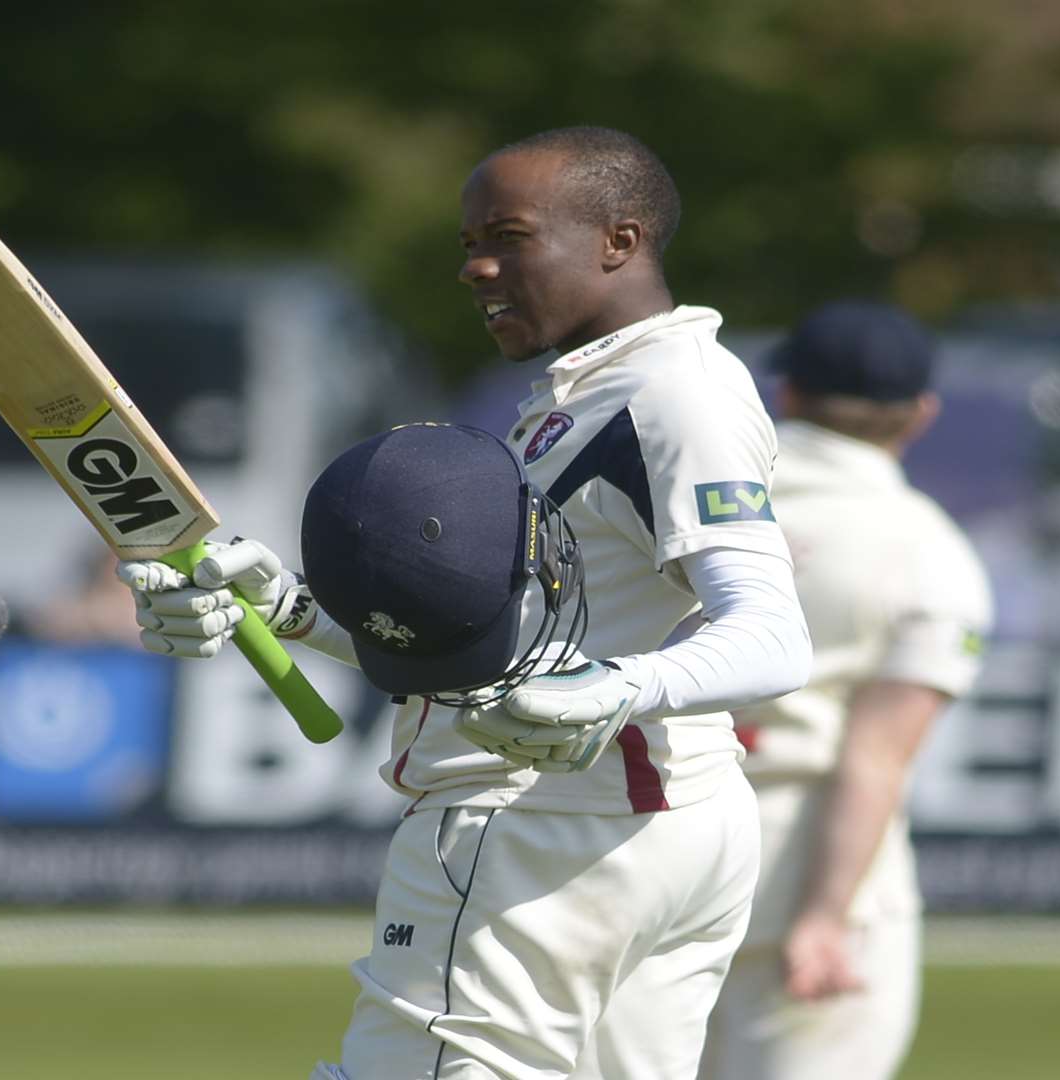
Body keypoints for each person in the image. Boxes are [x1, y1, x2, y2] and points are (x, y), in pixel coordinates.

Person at [118, 126, 812, 1079]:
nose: (477, 267)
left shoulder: (669, 393)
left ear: (621, 239)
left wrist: (612, 687)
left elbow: (772, 637)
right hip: (653, 828)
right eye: (468, 243)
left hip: (540, 829)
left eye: (510, 236)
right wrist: (287, 612)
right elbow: (497, 664)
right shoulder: (593, 392)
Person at [700, 303, 993, 1080]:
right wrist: (826, 917)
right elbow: (875, 760)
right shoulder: (927, 548)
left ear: (787, 393)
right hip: (803, 867)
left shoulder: (689, 505)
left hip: (650, 846)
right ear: (920, 415)